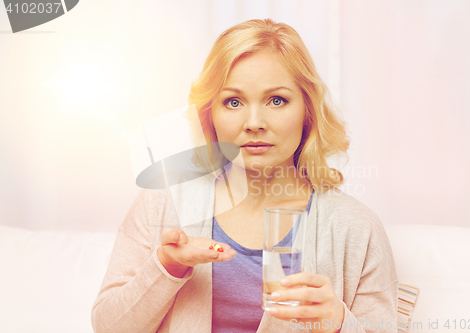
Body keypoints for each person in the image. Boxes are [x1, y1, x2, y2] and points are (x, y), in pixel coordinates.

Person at [91, 19, 398, 333]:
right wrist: (166, 267)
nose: (254, 122)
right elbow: (107, 327)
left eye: (276, 100)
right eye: (233, 102)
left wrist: (338, 321)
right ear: (210, 114)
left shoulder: (357, 228)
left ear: (308, 110)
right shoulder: (163, 201)